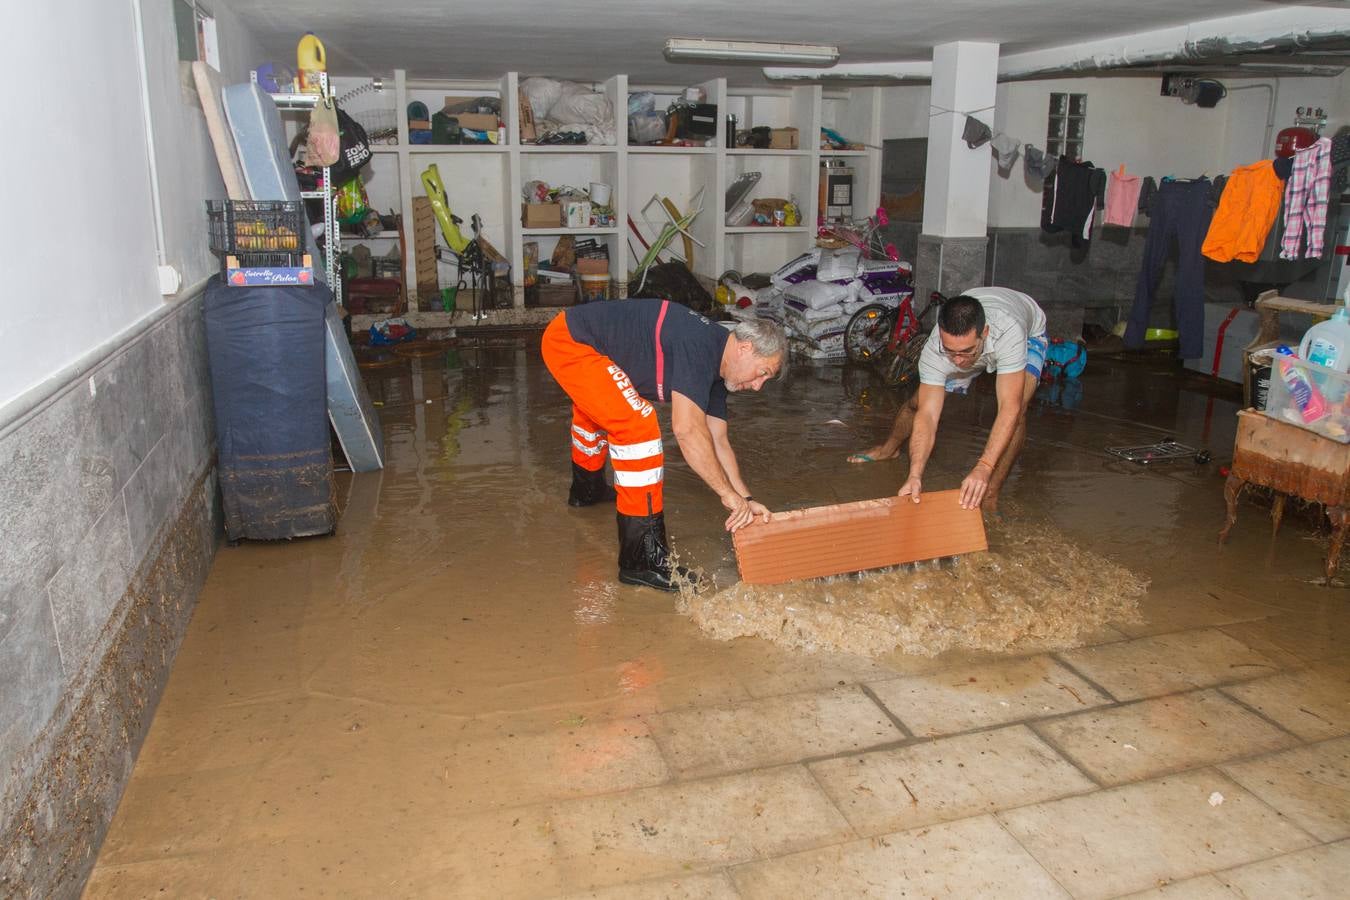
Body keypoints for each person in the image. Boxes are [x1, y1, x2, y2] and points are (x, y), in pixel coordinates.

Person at [542, 299, 787, 592]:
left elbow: (717, 440)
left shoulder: (718, 370)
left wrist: (744, 500)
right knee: (639, 427)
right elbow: (686, 431)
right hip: (571, 342)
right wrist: (726, 494)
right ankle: (641, 561)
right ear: (745, 348)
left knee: (601, 409)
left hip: (579, 339)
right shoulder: (699, 345)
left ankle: (587, 490)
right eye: (762, 373)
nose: (758, 386)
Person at [848, 286, 1047, 512]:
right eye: (951, 352)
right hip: (973, 344)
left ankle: (991, 494)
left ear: (985, 333)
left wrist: (984, 467)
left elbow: (1008, 409)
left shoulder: (1008, 332)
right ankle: (888, 448)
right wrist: (915, 475)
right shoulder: (937, 349)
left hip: (1028, 333)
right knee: (918, 403)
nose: (959, 361)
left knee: (1017, 411)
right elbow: (928, 416)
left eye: (965, 352)